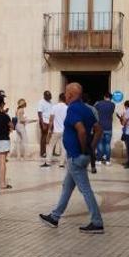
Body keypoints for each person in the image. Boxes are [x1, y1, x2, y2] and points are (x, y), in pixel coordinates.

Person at [39, 82, 105, 234]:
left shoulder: (73, 109)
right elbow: (99, 130)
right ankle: (54, 217)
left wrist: (83, 150)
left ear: (70, 95)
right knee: (67, 187)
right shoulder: (86, 109)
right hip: (77, 157)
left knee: (86, 190)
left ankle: (97, 222)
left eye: (66, 93)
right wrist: (91, 149)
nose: (65, 96)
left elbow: (81, 131)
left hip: (76, 157)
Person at [44, 93, 68, 168]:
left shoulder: (54, 107)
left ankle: (48, 162)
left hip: (56, 130)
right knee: (63, 147)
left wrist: (49, 131)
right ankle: (61, 163)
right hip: (64, 130)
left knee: (50, 146)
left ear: (59, 98)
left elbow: (51, 120)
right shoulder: (67, 108)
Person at [94, 91, 116, 166]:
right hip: (109, 127)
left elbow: (94, 111)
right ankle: (107, 160)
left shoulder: (99, 104)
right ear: (111, 98)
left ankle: (99, 160)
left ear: (104, 97)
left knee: (99, 143)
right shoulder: (113, 105)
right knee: (107, 144)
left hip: (100, 126)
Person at [37, 91, 53, 158]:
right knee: (44, 136)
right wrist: (42, 123)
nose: (49, 97)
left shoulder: (51, 102)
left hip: (50, 121)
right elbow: (39, 113)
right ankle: (43, 152)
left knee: (51, 137)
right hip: (44, 121)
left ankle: (51, 152)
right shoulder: (41, 102)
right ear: (45, 96)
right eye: (48, 96)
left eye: (50, 96)